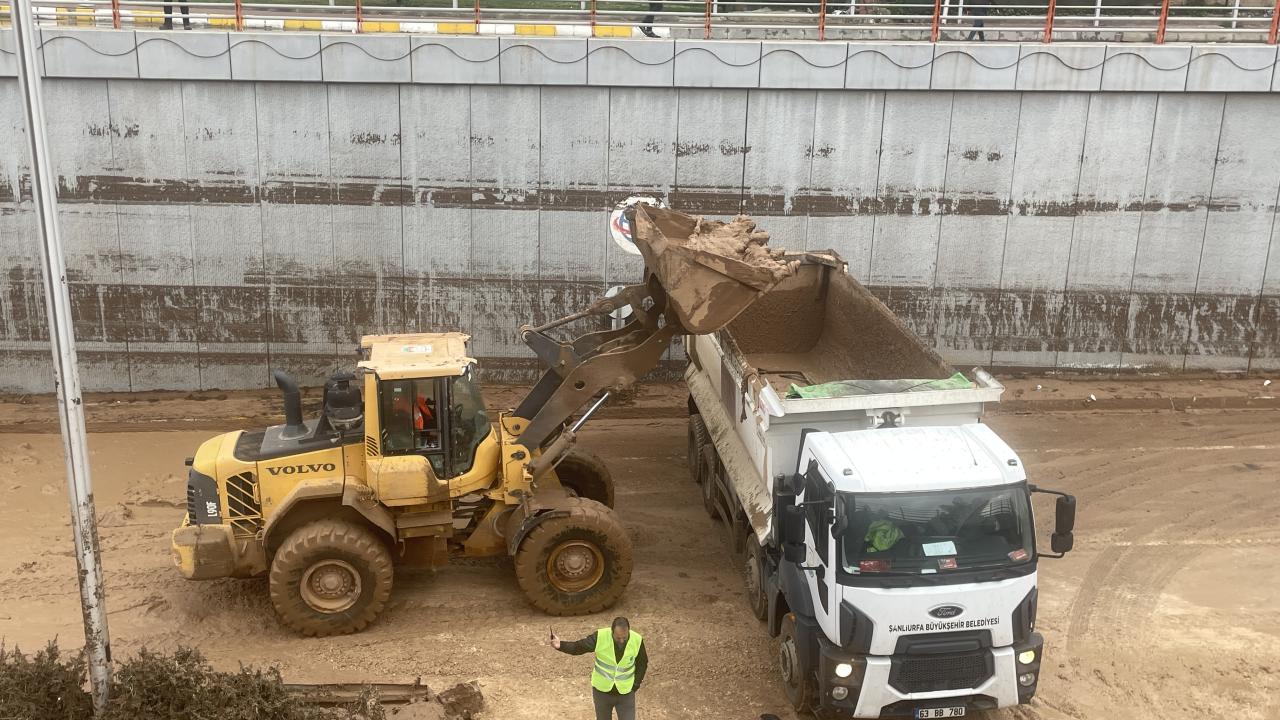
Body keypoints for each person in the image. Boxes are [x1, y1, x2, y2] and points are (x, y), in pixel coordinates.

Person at [548, 617, 648, 720]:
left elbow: (642, 663)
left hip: (626, 693)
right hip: (602, 693)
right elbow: (579, 647)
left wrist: (635, 685)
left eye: (625, 637)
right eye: (618, 638)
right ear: (612, 631)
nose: (622, 641)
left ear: (628, 631)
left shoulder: (637, 640)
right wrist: (560, 645)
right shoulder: (600, 637)